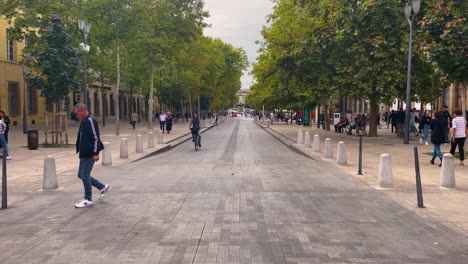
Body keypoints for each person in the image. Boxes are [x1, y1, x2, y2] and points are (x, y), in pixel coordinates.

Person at [73, 103, 109, 208]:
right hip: (84, 153)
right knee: (81, 174)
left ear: (83, 111)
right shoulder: (84, 121)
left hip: (90, 153)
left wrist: (96, 153)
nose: (76, 116)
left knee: (84, 175)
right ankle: (102, 186)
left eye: (77, 114)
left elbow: (96, 138)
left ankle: (88, 199)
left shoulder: (90, 121)